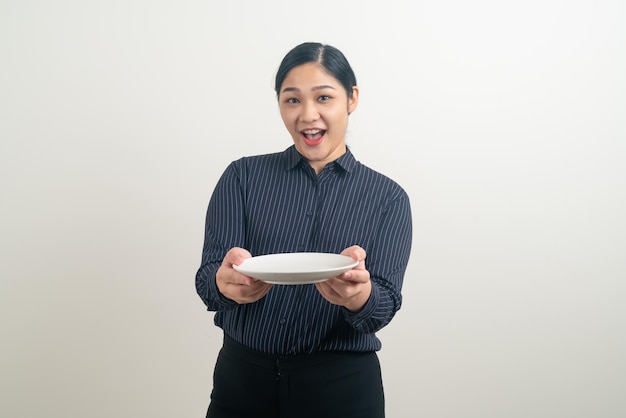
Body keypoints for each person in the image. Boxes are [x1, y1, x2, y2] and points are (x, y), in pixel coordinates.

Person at [195, 41, 412, 418]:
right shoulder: (242, 178)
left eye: (324, 97)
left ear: (352, 98)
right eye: (292, 100)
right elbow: (207, 282)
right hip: (243, 380)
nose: (308, 115)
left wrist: (358, 296)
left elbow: (385, 305)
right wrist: (222, 283)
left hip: (342, 388)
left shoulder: (387, 197)